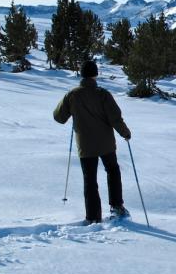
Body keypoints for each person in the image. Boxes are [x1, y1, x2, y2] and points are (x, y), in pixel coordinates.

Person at [53, 60, 132, 224]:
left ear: (81, 74)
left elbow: (59, 117)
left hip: (85, 145)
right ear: (95, 74)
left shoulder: (72, 95)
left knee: (90, 179)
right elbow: (115, 118)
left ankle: (93, 217)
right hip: (106, 144)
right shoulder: (103, 94)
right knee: (113, 171)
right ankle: (117, 207)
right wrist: (125, 133)